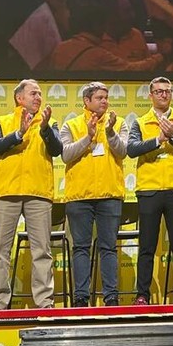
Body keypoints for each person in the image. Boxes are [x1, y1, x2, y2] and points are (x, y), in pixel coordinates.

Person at [0, 79, 62, 310]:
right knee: (0, 251)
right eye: (33, 93)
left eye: (39, 94)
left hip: (38, 193)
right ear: (19, 98)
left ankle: (44, 303)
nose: (38, 97)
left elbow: (57, 150)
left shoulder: (49, 122)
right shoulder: (2, 121)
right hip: (6, 192)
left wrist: (45, 129)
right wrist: (19, 133)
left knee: (42, 251)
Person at [127, 77, 173, 305]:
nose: (164, 94)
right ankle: (142, 296)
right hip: (149, 190)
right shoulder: (140, 122)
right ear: (150, 95)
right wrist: (158, 140)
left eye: (167, 91)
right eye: (158, 91)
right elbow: (132, 149)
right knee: (147, 246)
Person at [60, 82, 128, 306]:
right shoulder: (71, 125)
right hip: (80, 196)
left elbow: (123, 151)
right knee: (80, 247)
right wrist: (88, 137)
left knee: (108, 247)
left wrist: (109, 132)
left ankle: (111, 297)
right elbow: (66, 155)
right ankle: (81, 297)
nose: (104, 101)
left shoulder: (118, 123)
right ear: (86, 101)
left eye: (106, 97)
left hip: (110, 194)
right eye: (99, 98)